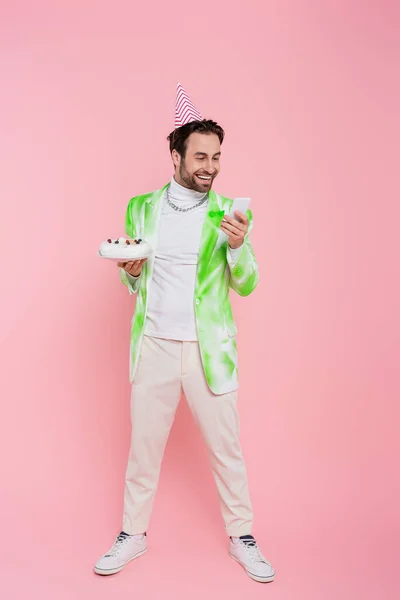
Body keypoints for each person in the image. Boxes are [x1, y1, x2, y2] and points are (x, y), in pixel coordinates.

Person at [94, 84, 275, 583]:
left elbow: (249, 283)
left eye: (216, 157)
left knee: (227, 447)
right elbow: (134, 277)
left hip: (207, 352)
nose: (210, 167)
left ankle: (243, 538)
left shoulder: (230, 215)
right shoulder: (141, 208)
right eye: (200, 156)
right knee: (144, 446)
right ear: (175, 156)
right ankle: (133, 534)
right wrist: (130, 270)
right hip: (152, 345)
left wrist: (239, 248)